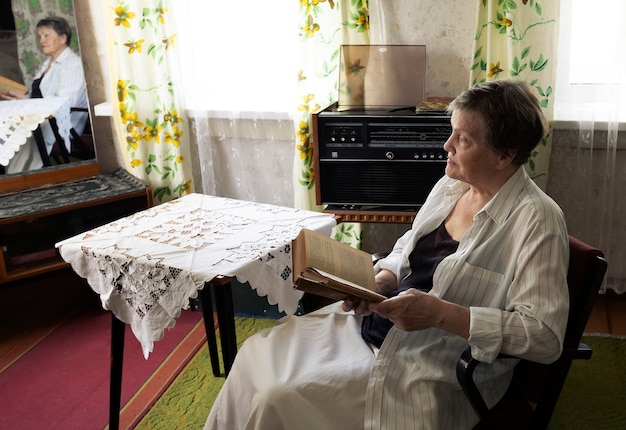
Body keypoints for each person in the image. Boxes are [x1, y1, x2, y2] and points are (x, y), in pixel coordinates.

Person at [205, 79, 570, 430]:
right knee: (256, 352)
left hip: (428, 361)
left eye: (463, 139)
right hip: (375, 323)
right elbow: (408, 245)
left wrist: (441, 314)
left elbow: (545, 337)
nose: (447, 146)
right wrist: (384, 278)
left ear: (505, 155)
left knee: (276, 395)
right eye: (451, 132)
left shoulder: (537, 221)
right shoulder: (451, 187)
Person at [1, 16, 88, 173]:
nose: (42, 40)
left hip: (62, 124)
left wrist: (29, 103)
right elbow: (39, 99)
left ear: (63, 37)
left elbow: (66, 102)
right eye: (39, 36)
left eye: (46, 35)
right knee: (12, 132)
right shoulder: (47, 65)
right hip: (44, 120)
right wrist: (22, 99)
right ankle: (12, 179)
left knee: (23, 135)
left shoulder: (73, 64)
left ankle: (20, 180)